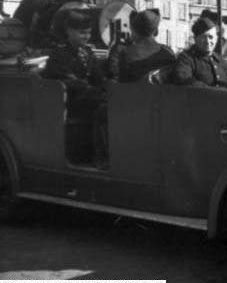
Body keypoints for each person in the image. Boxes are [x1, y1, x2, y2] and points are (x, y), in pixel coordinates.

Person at [43, 9, 108, 166]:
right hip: (67, 102)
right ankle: (99, 158)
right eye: (82, 33)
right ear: (69, 31)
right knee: (103, 108)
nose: (86, 36)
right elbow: (72, 82)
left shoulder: (87, 52)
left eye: (88, 33)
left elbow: (98, 77)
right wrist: (97, 92)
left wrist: (108, 87)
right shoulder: (58, 55)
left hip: (86, 97)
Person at [107, 9, 175, 82]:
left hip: (128, 92)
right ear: (155, 31)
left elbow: (113, 79)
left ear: (133, 29)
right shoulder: (168, 53)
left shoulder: (120, 52)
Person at [172, 17, 227, 87]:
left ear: (216, 39)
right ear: (195, 39)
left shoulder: (220, 60)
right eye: (203, 37)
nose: (207, 41)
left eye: (211, 37)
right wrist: (212, 91)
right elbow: (183, 79)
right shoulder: (186, 59)